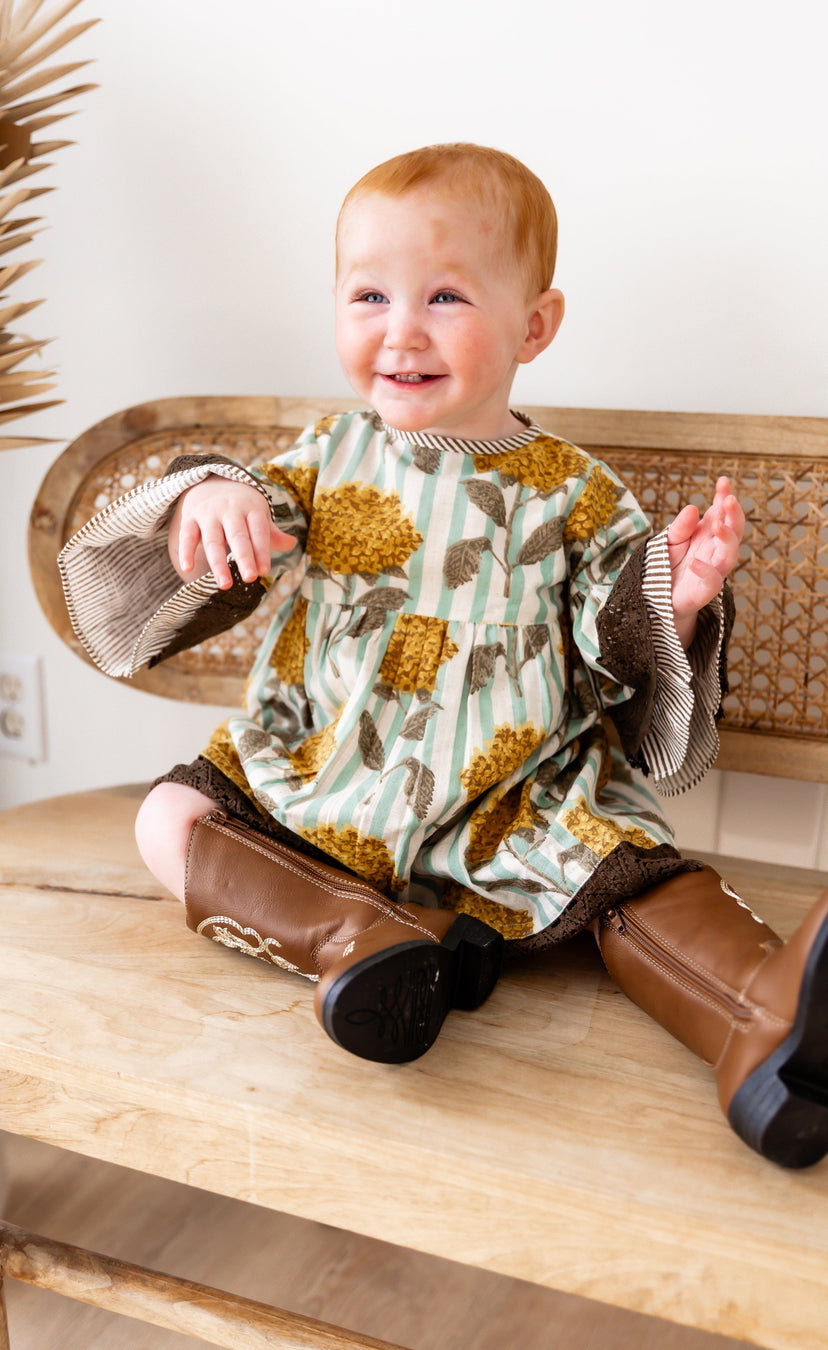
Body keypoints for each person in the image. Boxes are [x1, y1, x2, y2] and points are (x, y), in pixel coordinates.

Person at [59, 142, 828, 1167]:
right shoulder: (329, 459)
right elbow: (203, 551)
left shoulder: (578, 496)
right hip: (328, 784)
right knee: (166, 818)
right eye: (369, 294)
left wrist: (679, 597)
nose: (401, 330)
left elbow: (620, 663)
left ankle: (760, 1022)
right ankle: (363, 945)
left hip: (510, 801)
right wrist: (211, 499)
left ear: (535, 325)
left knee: (633, 878)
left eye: (447, 298)